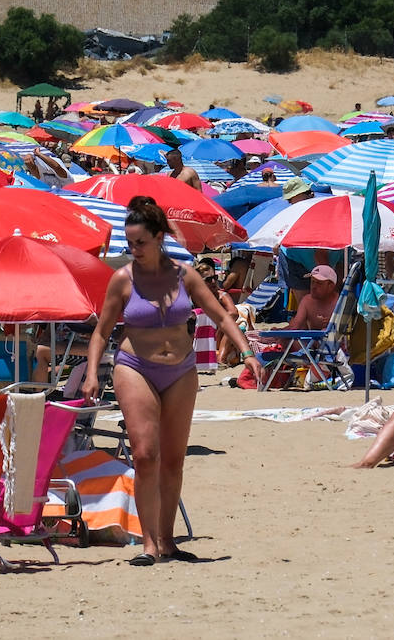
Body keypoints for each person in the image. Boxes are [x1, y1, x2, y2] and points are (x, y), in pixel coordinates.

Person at [83, 197, 263, 565]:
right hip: (135, 367)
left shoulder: (185, 275)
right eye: (129, 244)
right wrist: (90, 374)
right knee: (145, 454)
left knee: (173, 459)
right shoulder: (123, 279)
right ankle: (149, 543)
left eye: (140, 243)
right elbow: (101, 332)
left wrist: (247, 351)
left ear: (159, 238)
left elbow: (221, 316)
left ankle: (167, 540)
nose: (134, 250)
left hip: (180, 369)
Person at [194, 259, 242, 366]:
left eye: (215, 278)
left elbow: (234, 313)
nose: (213, 282)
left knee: (231, 327)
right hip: (200, 337)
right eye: (208, 279)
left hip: (220, 338)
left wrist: (220, 329)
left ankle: (221, 359)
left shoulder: (221, 296)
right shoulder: (193, 298)